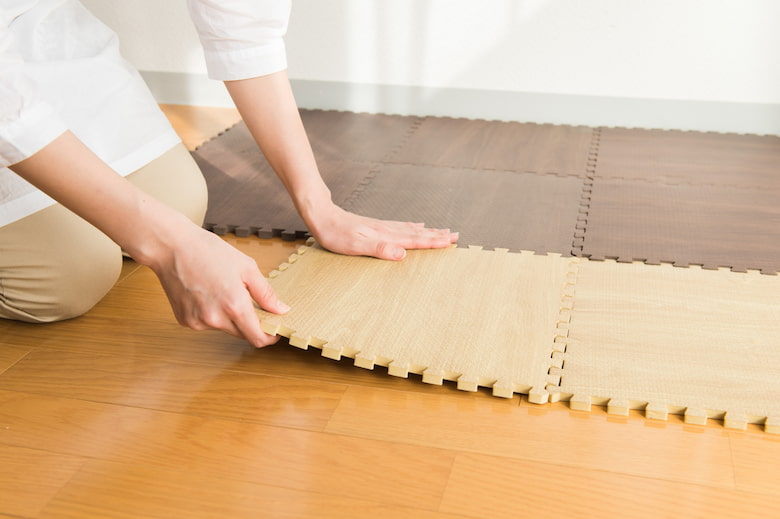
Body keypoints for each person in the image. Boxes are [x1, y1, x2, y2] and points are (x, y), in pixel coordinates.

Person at [0, 0, 458, 347]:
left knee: (180, 202)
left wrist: (318, 203)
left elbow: (243, 26)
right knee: (66, 280)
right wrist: (170, 247)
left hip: (37, 28)